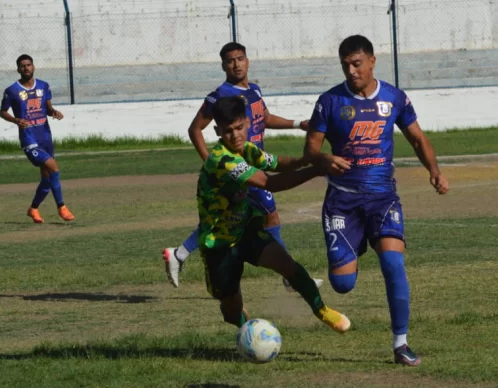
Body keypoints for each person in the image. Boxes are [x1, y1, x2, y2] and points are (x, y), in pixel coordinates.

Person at [303, 35, 450, 366]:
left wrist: (435, 171)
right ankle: (331, 261)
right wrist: (325, 160)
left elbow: (417, 138)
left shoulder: (394, 98)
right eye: (345, 65)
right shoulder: (328, 102)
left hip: (383, 198)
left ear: (372, 61)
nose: (352, 71)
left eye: (357, 64)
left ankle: (401, 344)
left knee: (393, 264)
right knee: (342, 285)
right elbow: (310, 149)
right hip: (342, 202)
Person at [163, 42, 322, 291]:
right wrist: (211, 163)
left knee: (233, 218)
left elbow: (265, 119)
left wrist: (297, 123)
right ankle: (291, 277)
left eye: (240, 58)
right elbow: (195, 129)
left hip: (256, 162)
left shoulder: (254, 90)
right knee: (269, 214)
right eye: (230, 60)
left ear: (248, 60)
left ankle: (180, 254)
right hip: (240, 171)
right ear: (223, 65)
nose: (236, 64)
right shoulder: (220, 96)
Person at [196, 96, 351, 334]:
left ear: (247, 123)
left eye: (239, 128)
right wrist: (316, 170)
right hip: (219, 243)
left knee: (288, 266)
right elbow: (270, 183)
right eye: (228, 131)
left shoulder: (247, 149)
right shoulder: (221, 159)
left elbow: (277, 163)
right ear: (217, 131)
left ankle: (322, 310)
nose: (235, 135)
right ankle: (245, 329)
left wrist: (308, 159)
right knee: (230, 309)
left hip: (246, 231)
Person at [0, 54, 75, 223]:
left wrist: (54, 112)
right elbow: (2, 112)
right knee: (54, 169)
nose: (26, 68)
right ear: (18, 69)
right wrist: (16, 120)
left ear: (33, 67)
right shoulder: (12, 90)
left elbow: (47, 108)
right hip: (29, 138)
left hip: (45, 136)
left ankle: (33, 209)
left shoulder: (43, 86)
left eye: (29, 65)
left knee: (47, 179)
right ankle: (61, 207)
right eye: (22, 66)